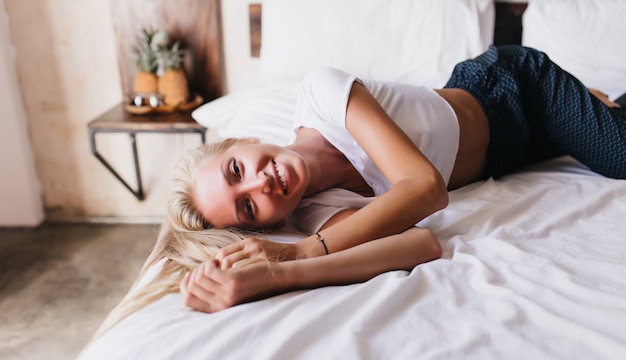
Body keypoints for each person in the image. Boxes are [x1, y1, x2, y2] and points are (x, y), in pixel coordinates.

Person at [96, 45, 625, 335]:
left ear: (244, 140)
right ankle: (597, 106)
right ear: (261, 223)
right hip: (505, 156)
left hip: (512, 89)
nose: (261, 183)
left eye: (238, 169)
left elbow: (425, 190)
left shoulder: (324, 94)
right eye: (248, 206)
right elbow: (420, 245)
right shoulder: (318, 212)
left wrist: (301, 252)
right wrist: (278, 274)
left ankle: (587, 107)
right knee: (604, 125)